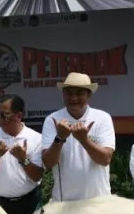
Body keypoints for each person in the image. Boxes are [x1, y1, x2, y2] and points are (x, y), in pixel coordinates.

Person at [40, 72, 115, 201]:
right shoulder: (52, 119)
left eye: (80, 93)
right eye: (69, 93)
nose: (74, 98)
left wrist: (84, 140)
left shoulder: (102, 118)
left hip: (98, 201)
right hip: (64, 203)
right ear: (63, 94)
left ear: (89, 95)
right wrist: (60, 138)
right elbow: (48, 163)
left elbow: (105, 159)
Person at [0, 94, 43, 214]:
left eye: (5, 115)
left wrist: (23, 159)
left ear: (19, 116)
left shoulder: (36, 138)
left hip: (29, 202)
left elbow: (37, 176)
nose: (0, 120)